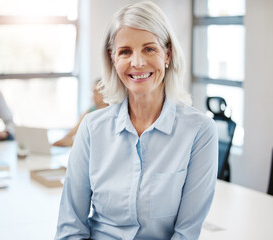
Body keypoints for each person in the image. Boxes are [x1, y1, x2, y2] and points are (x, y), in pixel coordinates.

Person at [55, 2, 218, 240]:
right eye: (125, 51)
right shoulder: (92, 128)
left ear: (168, 54)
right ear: (113, 59)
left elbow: (186, 233)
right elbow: (70, 228)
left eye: (150, 49)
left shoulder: (199, 131)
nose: (138, 62)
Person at [53, 80, 108, 147]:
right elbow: (75, 130)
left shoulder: (110, 113)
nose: (93, 95)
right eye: (93, 92)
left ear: (106, 92)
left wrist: (72, 142)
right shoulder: (90, 111)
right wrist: (63, 139)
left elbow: (100, 140)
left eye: (96, 92)